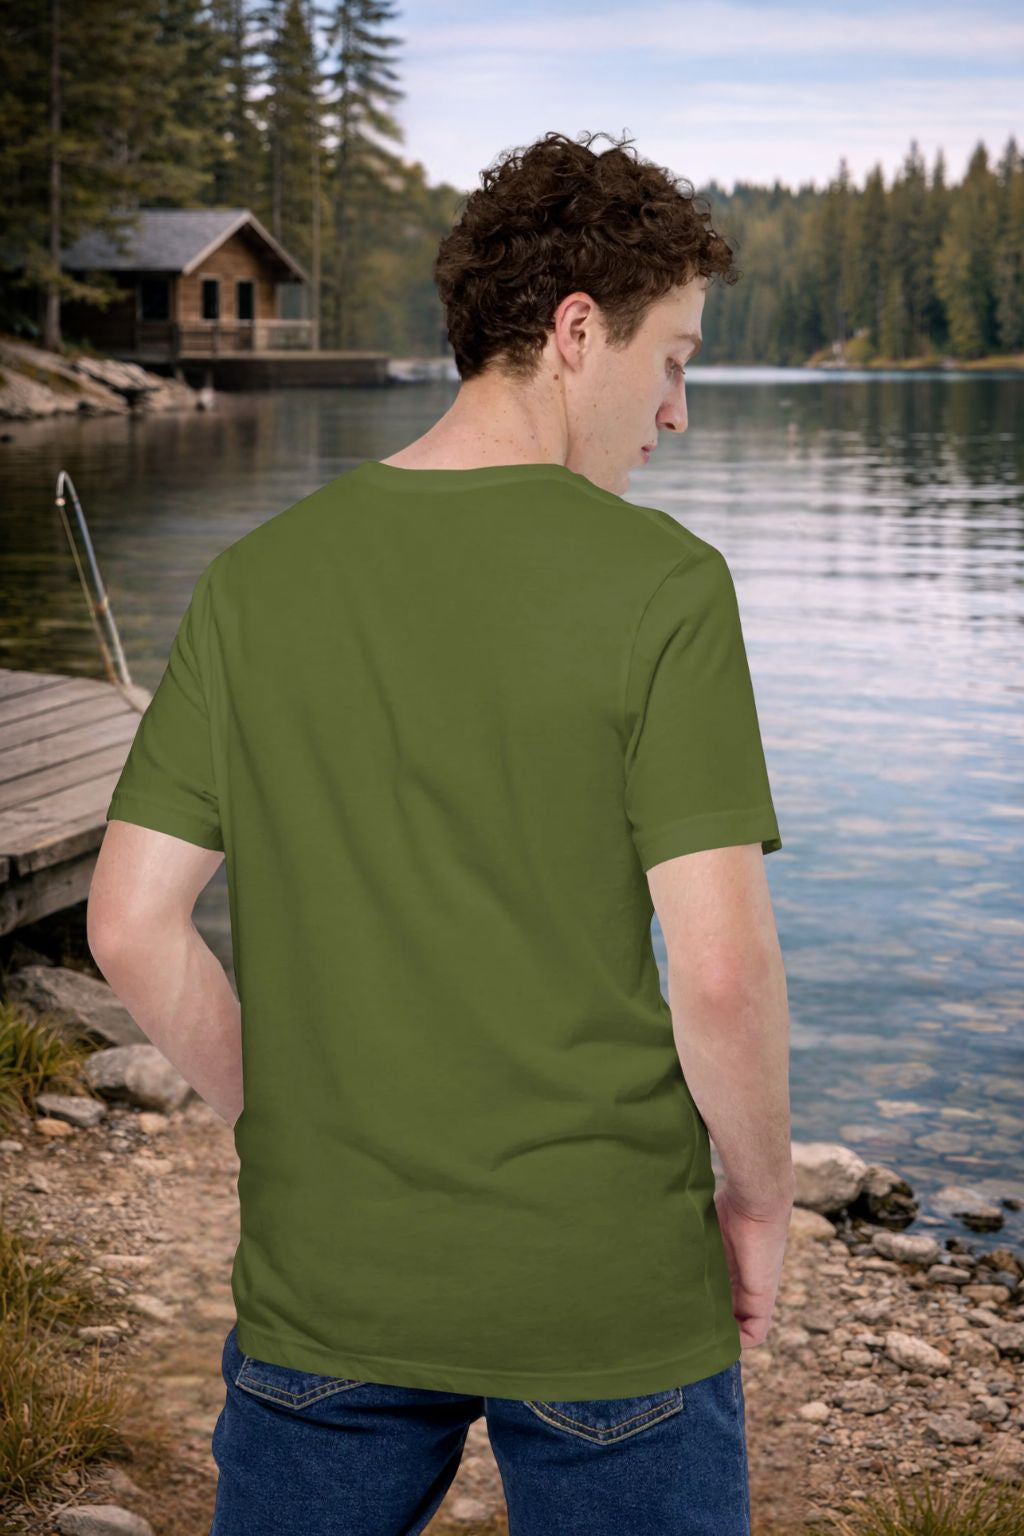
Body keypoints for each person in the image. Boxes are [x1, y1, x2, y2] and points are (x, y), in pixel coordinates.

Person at [87, 128, 795, 1536]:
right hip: (606, 1283)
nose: (677, 412)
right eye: (674, 359)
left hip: (327, 1283)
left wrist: (275, 1124)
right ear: (578, 333)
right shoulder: (663, 588)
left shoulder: (256, 583)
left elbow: (127, 924)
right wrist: (761, 1204)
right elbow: (718, 976)